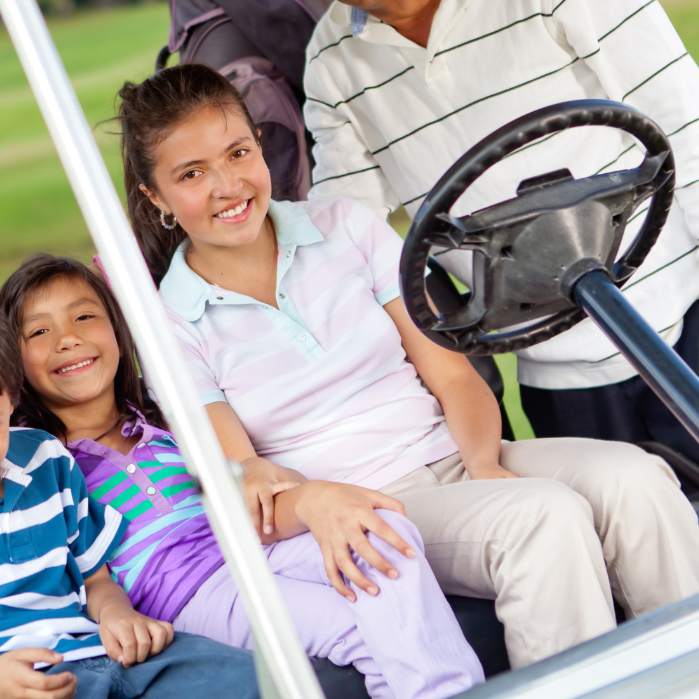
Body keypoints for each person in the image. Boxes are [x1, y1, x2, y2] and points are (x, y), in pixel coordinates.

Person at [118, 63, 699, 668]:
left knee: (638, 479)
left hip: (456, 455)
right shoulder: (169, 323)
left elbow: (453, 376)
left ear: (259, 145)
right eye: (192, 173)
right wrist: (268, 480)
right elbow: (245, 481)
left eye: (238, 152)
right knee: (543, 519)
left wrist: (482, 464)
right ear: (156, 197)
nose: (227, 185)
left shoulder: (343, 225)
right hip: (369, 507)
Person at [249, 0, 699, 464]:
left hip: (680, 317)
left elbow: (681, 112)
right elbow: (345, 225)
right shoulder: (331, 64)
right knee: (624, 558)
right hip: (552, 371)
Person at [0, 253, 484, 699]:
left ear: (120, 333)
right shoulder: (40, 460)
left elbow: (247, 496)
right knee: (360, 628)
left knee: (381, 531)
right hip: (192, 590)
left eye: (85, 316)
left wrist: (317, 502)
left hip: (256, 547)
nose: (68, 338)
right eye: (38, 332)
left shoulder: (167, 417)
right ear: (14, 359)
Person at [0, 281, 261, 699]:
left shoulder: (45, 458)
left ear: (12, 401)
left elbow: (96, 580)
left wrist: (117, 615)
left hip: (100, 656)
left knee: (260, 680)